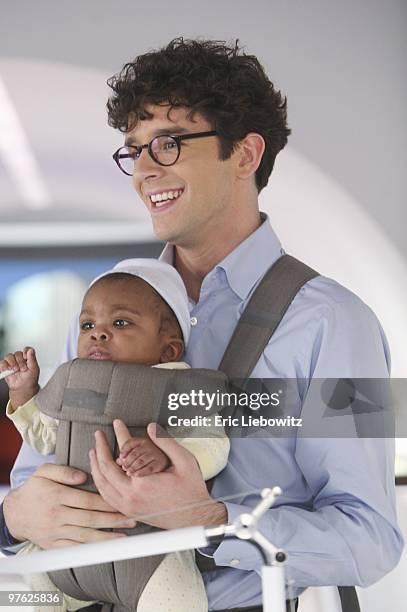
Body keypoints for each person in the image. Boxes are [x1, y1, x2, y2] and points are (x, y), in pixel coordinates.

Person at [1, 38, 403, 612]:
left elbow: (369, 540)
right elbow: (39, 472)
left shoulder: (336, 325)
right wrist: (15, 519)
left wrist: (211, 521)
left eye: (167, 144)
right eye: (133, 150)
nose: (142, 170)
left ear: (244, 154)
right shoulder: (102, 312)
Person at [1, 259, 229, 612]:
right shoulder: (70, 383)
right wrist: (24, 394)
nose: (98, 333)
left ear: (168, 350)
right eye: (87, 324)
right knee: (25, 596)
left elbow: (212, 444)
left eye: (120, 323)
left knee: (178, 601)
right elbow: (44, 438)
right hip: (67, 547)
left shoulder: (180, 386)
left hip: (147, 551)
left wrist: (167, 455)